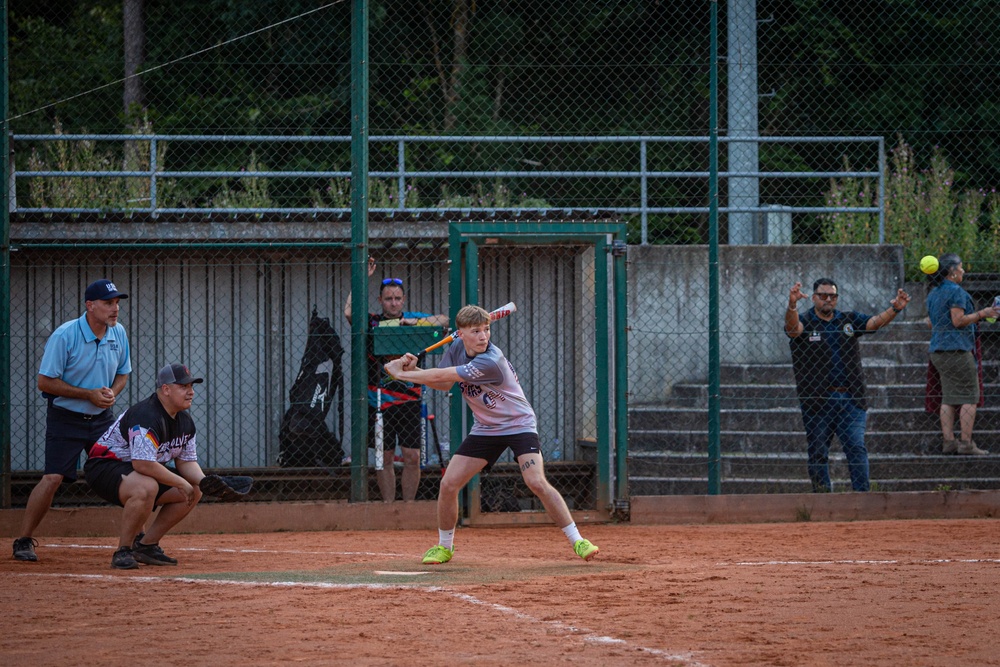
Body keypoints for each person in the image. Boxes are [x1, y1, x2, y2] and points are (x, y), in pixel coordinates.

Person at [384, 304, 600, 564]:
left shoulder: (491, 360)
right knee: (448, 484)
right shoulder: (456, 348)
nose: (483, 336)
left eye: (486, 330)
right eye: (476, 331)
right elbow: (444, 383)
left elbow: (443, 374)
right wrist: (412, 372)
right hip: (486, 428)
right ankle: (444, 546)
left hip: (519, 424)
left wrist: (402, 373)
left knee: (536, 481)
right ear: (461, 334)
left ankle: (578, 541)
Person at [12, 279, 131, 562]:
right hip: (66, 418)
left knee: (125, 476)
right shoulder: (65, 335)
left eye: (117, 303)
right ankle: (23, 540)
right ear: (90, 306)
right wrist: (87, 394)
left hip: (102, 419)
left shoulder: (119, 332)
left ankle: (136, 541)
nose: (115, 309)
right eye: (108, 303)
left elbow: (123, 373)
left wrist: (111, 394)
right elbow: (45, 382)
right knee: (53, 478)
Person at [785, 279, 911, 492]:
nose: (828, 299)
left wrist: (895, 309)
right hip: (817, 401)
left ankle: (862, 498)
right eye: (823, 295)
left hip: (851, 399)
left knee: (856, 448)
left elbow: (873, 323)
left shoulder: (848, 320)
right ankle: (823, 499)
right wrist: (792, 305)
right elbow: (792, 329)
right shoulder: (805, 320)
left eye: (832, 296)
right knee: (818, 452)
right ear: (813, 297)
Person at [84, 363, 207, 569]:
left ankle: (146, 546)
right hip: (104, 467)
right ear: (166, 389)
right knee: (147, 486)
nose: (191, 392)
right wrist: (180, 482)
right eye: (184, 386)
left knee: (194, 490)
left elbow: (186, 461)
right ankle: (123, 550)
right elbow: (143, 464)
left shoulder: (185, 421)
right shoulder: (146, 415)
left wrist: (206, 482)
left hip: (138, 470)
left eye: (191, 387)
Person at [344, 258, 448, 502]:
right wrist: (362, 278)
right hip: (378, 401)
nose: (393, 303)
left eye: (397, 298)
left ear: (403, 300)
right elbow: (349, 312)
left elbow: (444, 320)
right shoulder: (372, 321)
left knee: (412, 457)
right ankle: (389, 508)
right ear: (380, 300)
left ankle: (408, 506)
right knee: (385, 458)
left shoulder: (413, 319)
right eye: (388, 298)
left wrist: (414, 323)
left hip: (410, 400)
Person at [925, 253, 999, 455]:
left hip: (938, 350)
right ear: (952, 271)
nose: (963, 271)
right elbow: (957, 321)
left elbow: (930, 323)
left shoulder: (933, 293)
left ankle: (949, 442)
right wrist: (982, 314)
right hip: (957, 351)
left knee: (948, 397)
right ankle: (966, 443)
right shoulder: (956, 292)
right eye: (961, 267)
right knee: (970, 396)